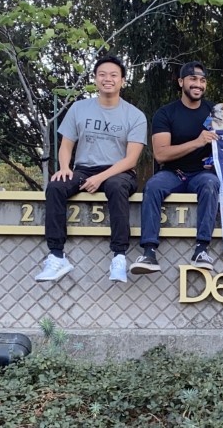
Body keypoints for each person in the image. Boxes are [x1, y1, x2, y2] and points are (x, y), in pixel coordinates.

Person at [35, 55, 147, 283]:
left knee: (116, 187)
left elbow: (131, 159)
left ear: (122, 81)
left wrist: (101, 177)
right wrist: (64, 167)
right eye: (102, 74)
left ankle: (118, 257)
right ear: (95, 79)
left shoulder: (135, 115)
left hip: (119, 171)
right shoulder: (79, 108)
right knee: (56, 186)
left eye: (114, 75)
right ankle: (57, 256)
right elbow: (66, 145)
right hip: (83, 169)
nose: (108, 79)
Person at [130, 61, 220, 275]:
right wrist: (197, 142)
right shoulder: (166, 113)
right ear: (181, 82)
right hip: (173, 174)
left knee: (211, 184)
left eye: (202, 80)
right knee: (153, 186)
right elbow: (161, 154)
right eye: (192, 79)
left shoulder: (214, 112)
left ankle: (202, 249)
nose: (198, 84)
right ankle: (149, 252)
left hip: (202, 175)